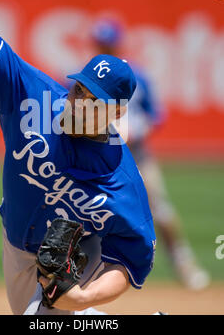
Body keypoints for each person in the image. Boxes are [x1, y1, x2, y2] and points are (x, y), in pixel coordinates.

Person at [0, 0, 157, 315]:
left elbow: (131, 262)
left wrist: (83, 297)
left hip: (80, 253)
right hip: (15, 240)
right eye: (79, 88)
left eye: (92, 99)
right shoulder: (33, 97)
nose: (78, 102)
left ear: (115, 113)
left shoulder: (122, 184)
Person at [91, 17, 210, 291]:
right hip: (98, 160)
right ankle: (90, 273)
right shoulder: (84, 76)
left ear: (117, 44)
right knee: (89, 211)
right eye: (100, 43)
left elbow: (156, 114)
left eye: (108, 43)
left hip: (138, 155)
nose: (104, 48)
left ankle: (185, 265)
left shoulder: (138, 76)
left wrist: (134, 129)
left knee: (161, 211)